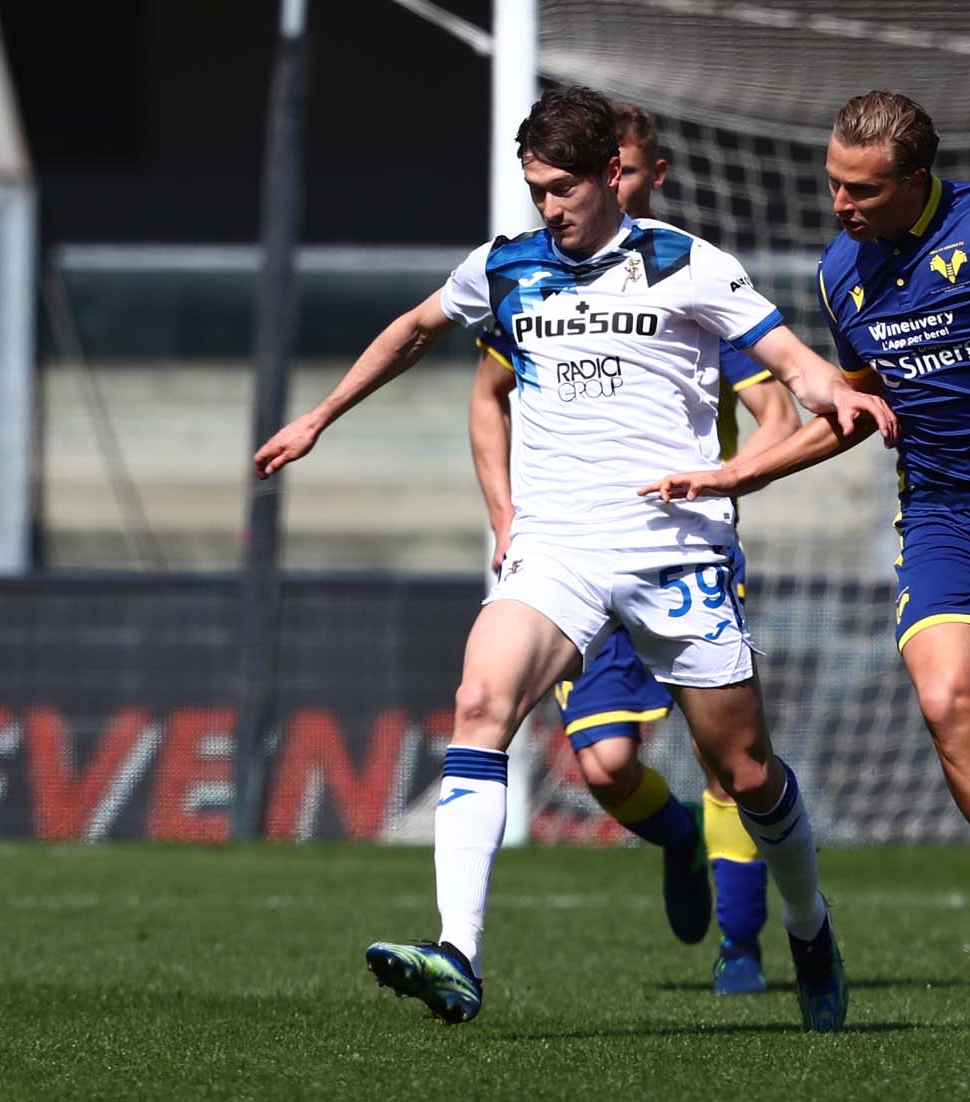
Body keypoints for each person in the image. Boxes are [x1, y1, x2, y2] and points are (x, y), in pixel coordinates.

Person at [256, 86, 896, 1029]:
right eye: (536, 191)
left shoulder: (686, 263)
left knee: (748, 772)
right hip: (557, 549)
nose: (549, 208)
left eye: (563, 189)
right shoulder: (506, 266)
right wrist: (319, 415)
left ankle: (808, 928)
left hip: (675, 550)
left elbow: (792, 365)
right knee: (481, 702)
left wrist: (834, 395)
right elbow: (415, 330)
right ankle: (459, 954)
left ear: (610, 175)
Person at [639, 90, 970, 1009]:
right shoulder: (841, 269)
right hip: (946, 519)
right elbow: (860, 406)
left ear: (917, 180)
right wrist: (740, 473)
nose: (840, 204)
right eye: (833, 183)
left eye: (862, 189)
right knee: (945, 700)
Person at [468, 102, 799, 996]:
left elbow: (778, 407)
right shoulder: (539, 284)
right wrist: (504, 513)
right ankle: (679, 840)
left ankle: (743, 945)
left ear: (644, 175)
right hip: (574, 552)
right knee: (605, 766)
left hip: (676, 549)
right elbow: (489, 391)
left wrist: (727, 478)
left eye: (625, 166)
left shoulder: (689, 282)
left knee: (732, 762)